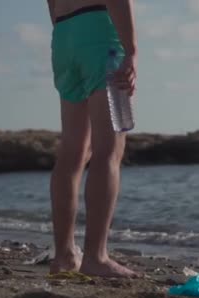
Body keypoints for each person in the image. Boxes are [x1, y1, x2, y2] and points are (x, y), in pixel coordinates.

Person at [46, 0, 138, 277]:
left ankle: (63, 256)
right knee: (108, 149)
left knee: (73, 150)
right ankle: (96, 257)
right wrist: (132, 51)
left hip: (63, 34)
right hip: (99, 32)